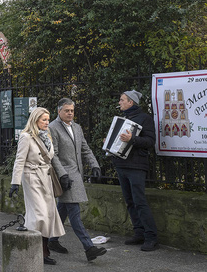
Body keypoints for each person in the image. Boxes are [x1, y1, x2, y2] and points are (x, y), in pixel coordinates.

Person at [47, 98, 107, 261]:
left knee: (63, 209)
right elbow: (54, 155)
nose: (70, 113)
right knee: (74, 211)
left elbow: (85, 149)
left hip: (76, 174)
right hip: (66, 177)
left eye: (72, 110)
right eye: (67, 110)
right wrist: (62, 175)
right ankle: (89, 248)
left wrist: (95, 165)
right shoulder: (52, 128)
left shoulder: (77, 127)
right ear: (59, 111)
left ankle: (51, 241)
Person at [9, 107, 65, 266]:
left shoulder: (47, 136)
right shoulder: (26, 137)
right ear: (35, 120)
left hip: (46, 178)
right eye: (44, 120)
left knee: (48, 217)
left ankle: (44, 252)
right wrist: (15, 182)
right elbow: (19, 160)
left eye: (48, 119)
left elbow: (51, 158)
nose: (47, 122)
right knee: (39, 216)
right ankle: (33, 250)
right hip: (32, 178)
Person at [113, 89, 158, 251]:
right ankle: (139, 233)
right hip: (122, 165)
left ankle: (151, 237)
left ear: (131, 102)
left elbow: (150, 141)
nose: (120, 102)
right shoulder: (124, 118)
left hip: (137, 165)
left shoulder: (145, 119)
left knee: (140, 202)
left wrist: (132, 139)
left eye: (122, 100)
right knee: (130, 202)